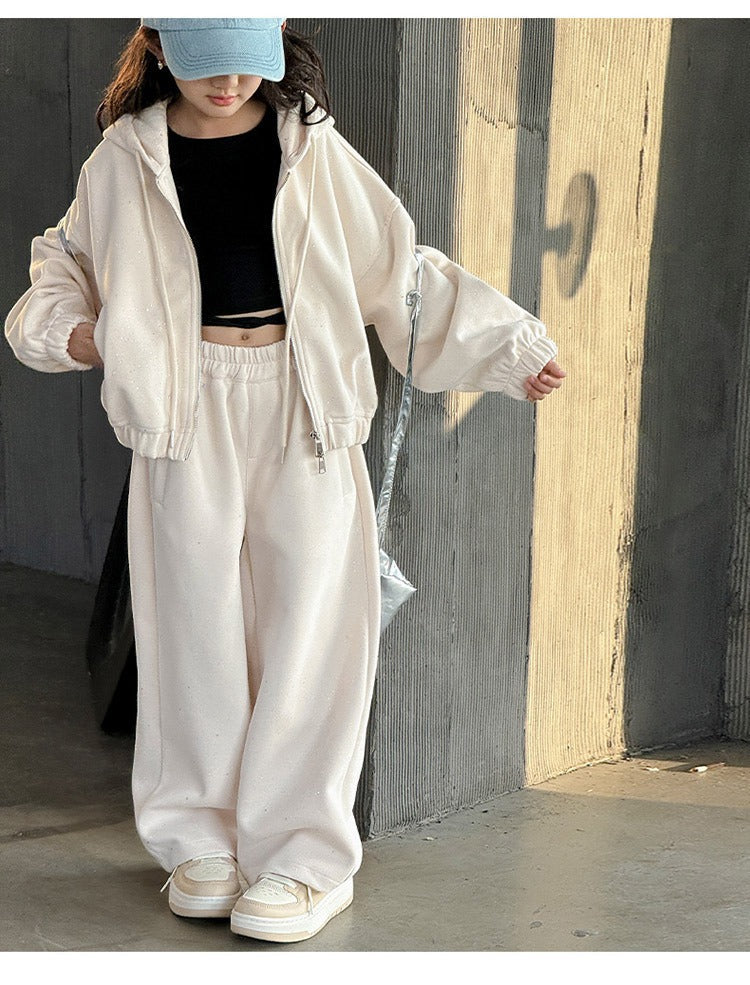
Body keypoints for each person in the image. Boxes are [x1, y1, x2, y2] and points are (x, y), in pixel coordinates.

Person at [4, 17, 566, 943]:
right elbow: (61, 265)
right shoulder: (122, 161)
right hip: (182, 408)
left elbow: (399, 272)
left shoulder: (310, 146)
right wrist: (83, 335)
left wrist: (509, 347)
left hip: (304, 402)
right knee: (190, 628)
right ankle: (201, 842)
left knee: (311, 631)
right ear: (159, 47)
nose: (228, 83)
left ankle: (303, 858)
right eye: (206, 61)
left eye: (247, 60)